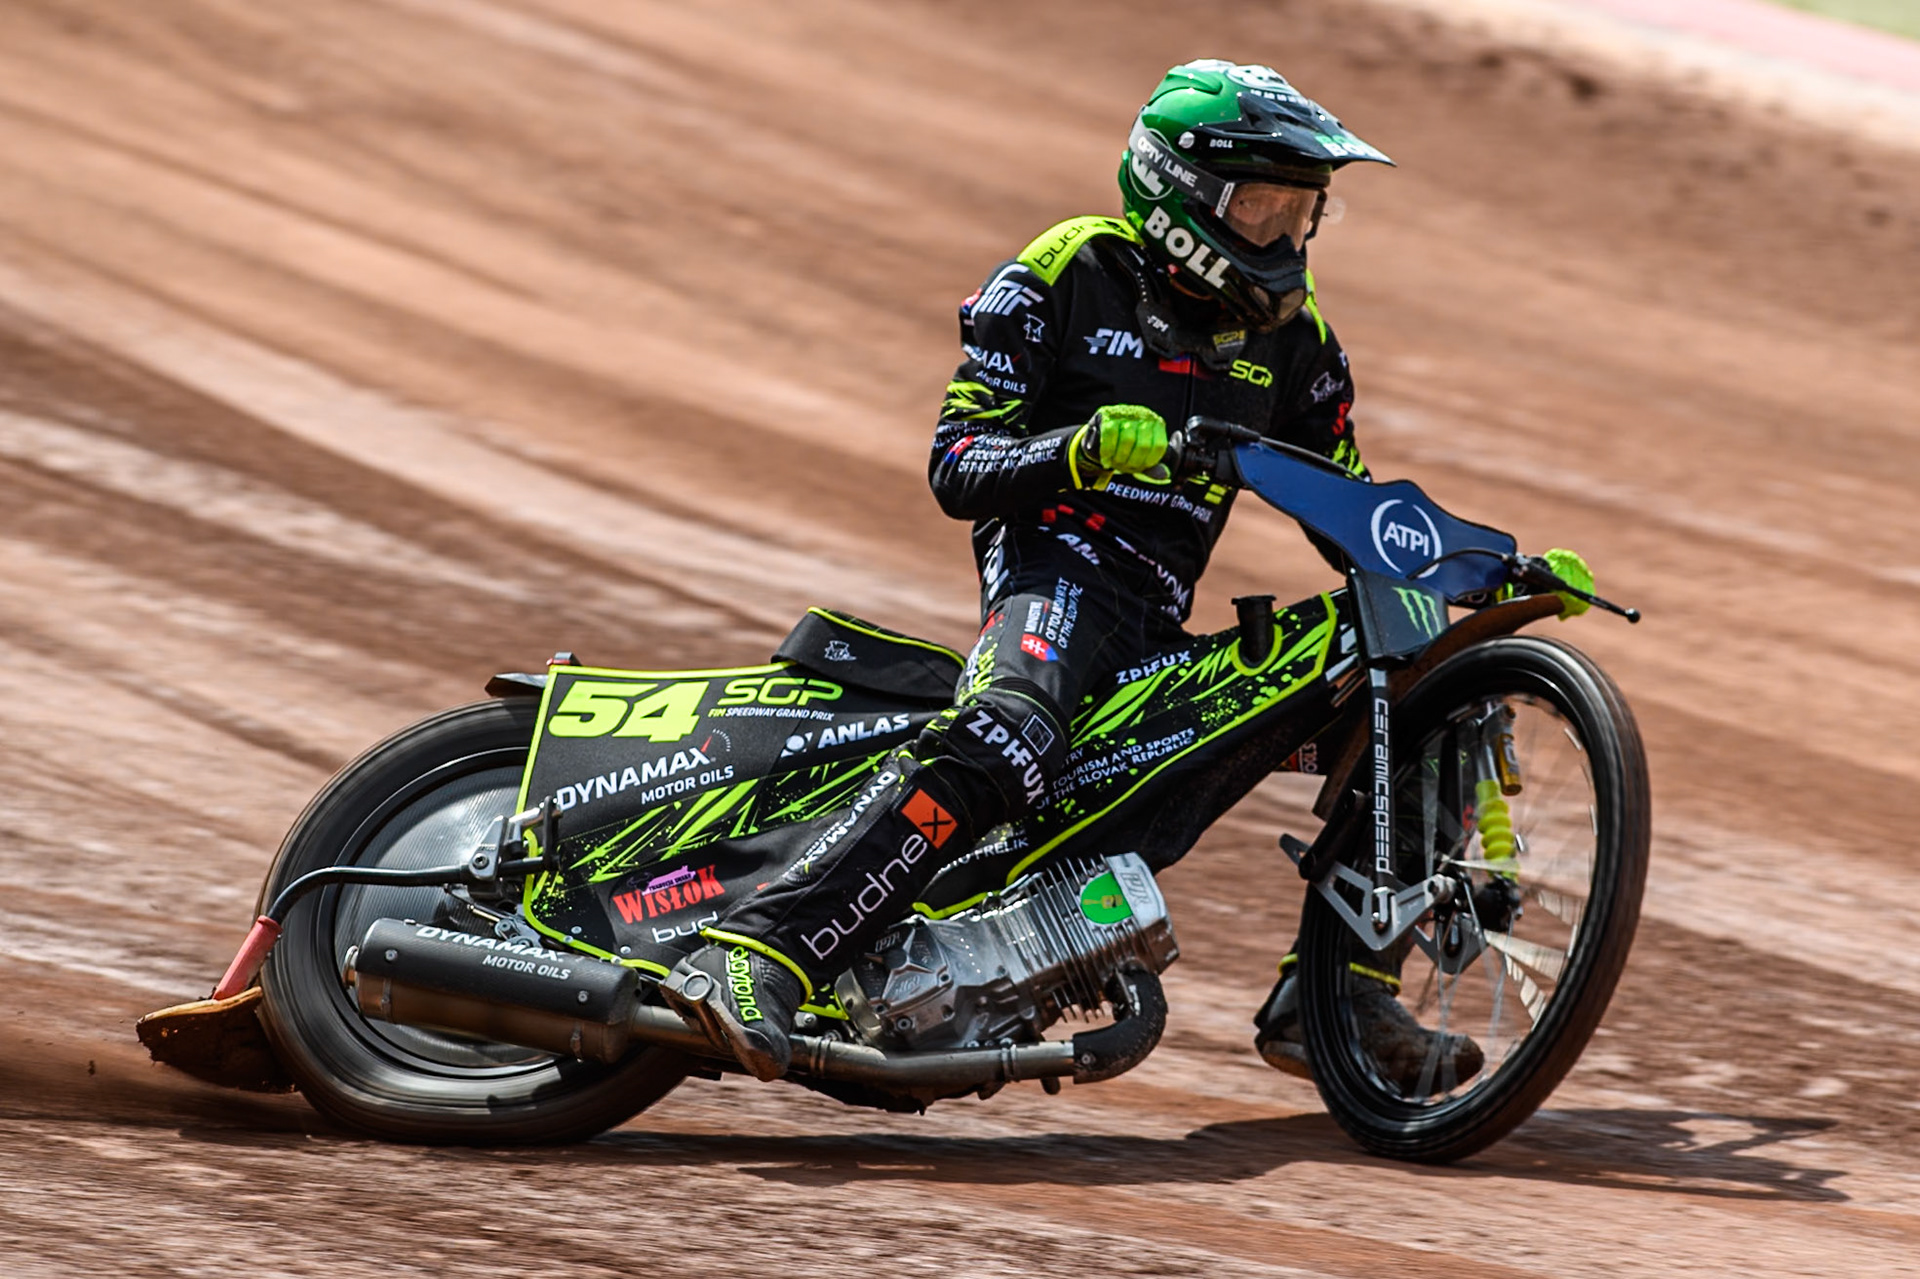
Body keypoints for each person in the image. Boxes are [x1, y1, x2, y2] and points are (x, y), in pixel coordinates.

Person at [664, 58, 1485, 1087]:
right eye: (1262, 204)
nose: (1284, 234)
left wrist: (1479, 569)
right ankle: (759, 951)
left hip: (1157, 627)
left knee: (1431, 692)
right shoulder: (1074, 266)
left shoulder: (1301, 347)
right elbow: (956, 465)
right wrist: (1082, 451)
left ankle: (1339, 999)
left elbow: (1350, 513)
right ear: (1183, 193)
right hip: (1054, 576)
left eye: (1301, 210)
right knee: (1011, 733)